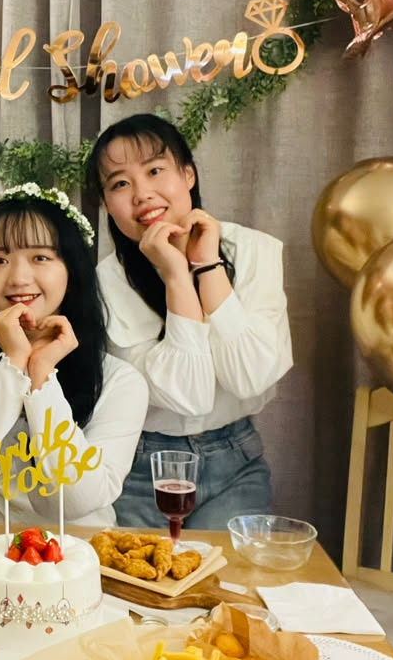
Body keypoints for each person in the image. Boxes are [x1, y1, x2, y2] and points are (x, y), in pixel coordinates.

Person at [85, 114, 292, 530]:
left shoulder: (254, 251)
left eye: (155, 171)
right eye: (120, 184)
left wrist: (207, 266)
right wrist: (177, 278)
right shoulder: (101, 285)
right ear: (107, 204)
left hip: (235, 462)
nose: (142, 194)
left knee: (229, 573)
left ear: (188, 174)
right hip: (137, 469)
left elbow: (251, 377)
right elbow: (189, 395)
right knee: (133, 574)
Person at [0, 184, 147, 527]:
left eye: (41, 258)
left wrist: (41, 375)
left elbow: (72, 502)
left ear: (73, 269)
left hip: (78, 552)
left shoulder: (120, 381)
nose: (18, 278)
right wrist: (13, 365)